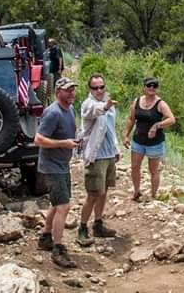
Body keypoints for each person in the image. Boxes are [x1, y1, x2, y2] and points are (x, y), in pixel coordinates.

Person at [35, 77, 79, 268]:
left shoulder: (70, 110)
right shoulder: (53, 112)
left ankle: (46, 236)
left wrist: (74, 142)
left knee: (57, 203)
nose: (71, 93)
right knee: (63, 206)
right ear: (58, 92)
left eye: (73, 89)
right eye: (67, 90)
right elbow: (38, 139)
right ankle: (58, 249)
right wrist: (64, 143)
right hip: (52, 166)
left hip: (62, 164)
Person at [77, 73, 119, 245]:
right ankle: (82, 227)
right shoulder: (89, 104)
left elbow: (111, 129)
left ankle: (98, 223)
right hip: (96, 156)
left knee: (104, 191)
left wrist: (115, 149)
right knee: (93, 194)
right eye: (95, 87)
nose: (99, 90)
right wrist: (106, 106)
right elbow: (93, 111)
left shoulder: (108, 103)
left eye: (101, 87)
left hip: (108, 154)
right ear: (90, 89)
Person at [123, 76, 175, 202]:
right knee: (135, 167)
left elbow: (171, 119)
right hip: (138, 140)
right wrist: (125, 135)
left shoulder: (160, 103)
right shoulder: (137, 101)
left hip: (155, 143)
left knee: (153, 171)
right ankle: (136, 191)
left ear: (157, 88)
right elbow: (131, 119)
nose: (152, 88)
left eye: (154, 86)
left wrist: (157, 125)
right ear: (144, 88)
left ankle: (153, 195)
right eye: (149, 85)